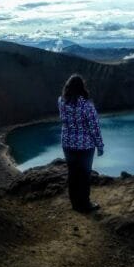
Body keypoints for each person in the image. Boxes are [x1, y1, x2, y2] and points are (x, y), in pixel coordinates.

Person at [58, 74, 104, 213]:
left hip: (67, 144)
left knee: (73, 174)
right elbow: (94, 127)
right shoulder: (87, 106)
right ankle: (85, 204)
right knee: (84, 176)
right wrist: (100, 146)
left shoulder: (61, 101)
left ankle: (75, 204)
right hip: (84, 146)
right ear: (82, 88)